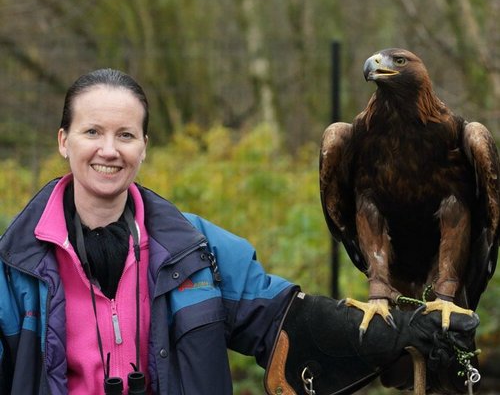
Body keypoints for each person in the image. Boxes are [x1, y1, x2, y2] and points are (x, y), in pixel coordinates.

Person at [0, 69, 479, 395]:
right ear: (64, 141)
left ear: (144, 147)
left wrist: (381, 335)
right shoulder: (10, 266)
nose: (109, 149)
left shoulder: (194, 248)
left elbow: (280, 320)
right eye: (92, 132)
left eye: (125, 135)